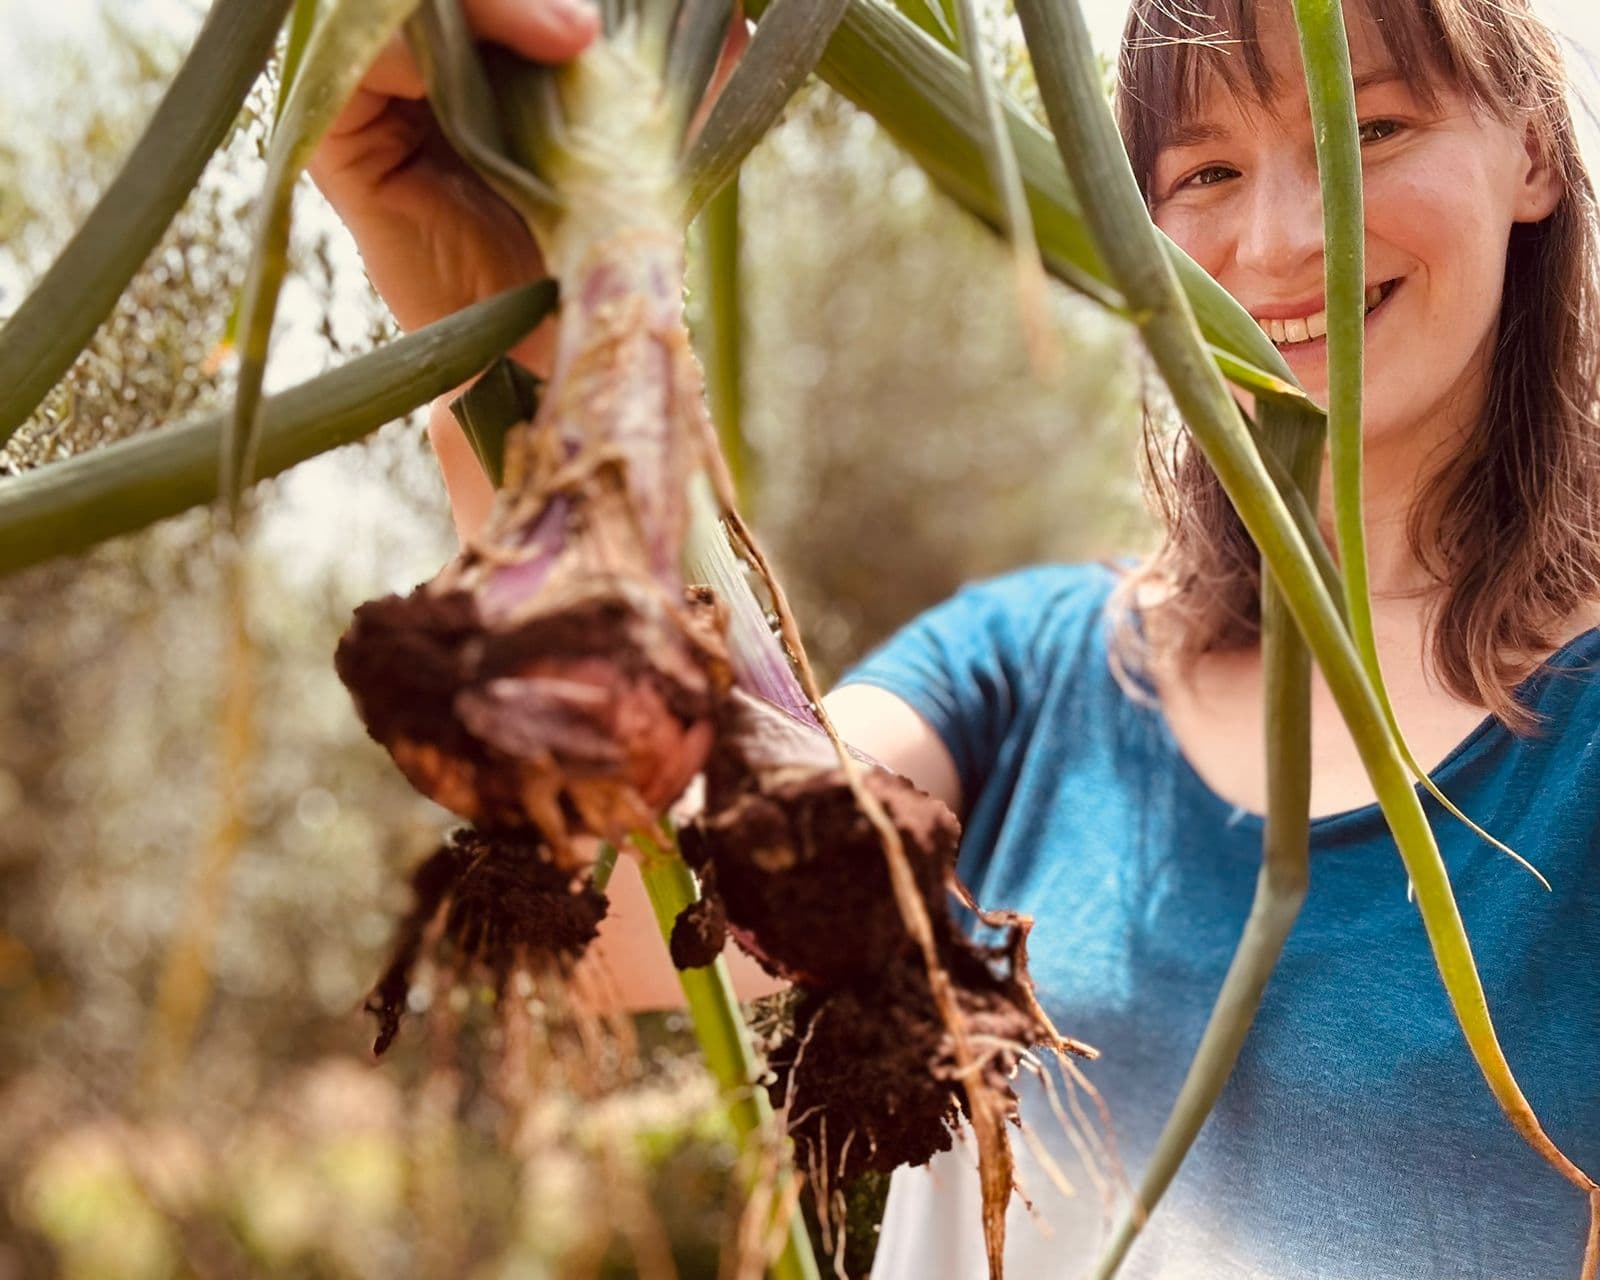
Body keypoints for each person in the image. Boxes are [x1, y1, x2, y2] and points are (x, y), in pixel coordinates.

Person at [313, 0, 1600, 1274]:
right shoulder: (1033, 667)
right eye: (1202, 169)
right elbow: (632, 921)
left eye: (1366, 129)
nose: (1278, 238)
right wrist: (513, 334)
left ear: (1534, 153)